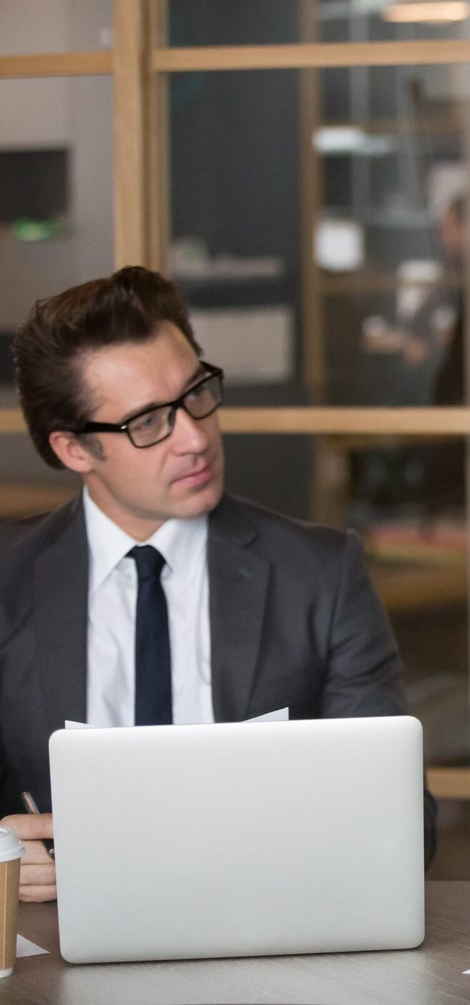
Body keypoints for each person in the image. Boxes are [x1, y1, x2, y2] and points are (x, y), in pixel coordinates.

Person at [0, 266, 434, 902]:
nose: (195, 437)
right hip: (58, 939)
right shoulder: (7, 579)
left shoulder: (318, 573)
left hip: (262, 927)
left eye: (197, 393)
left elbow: (408, 827)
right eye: (149, 423)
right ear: (73, 450)